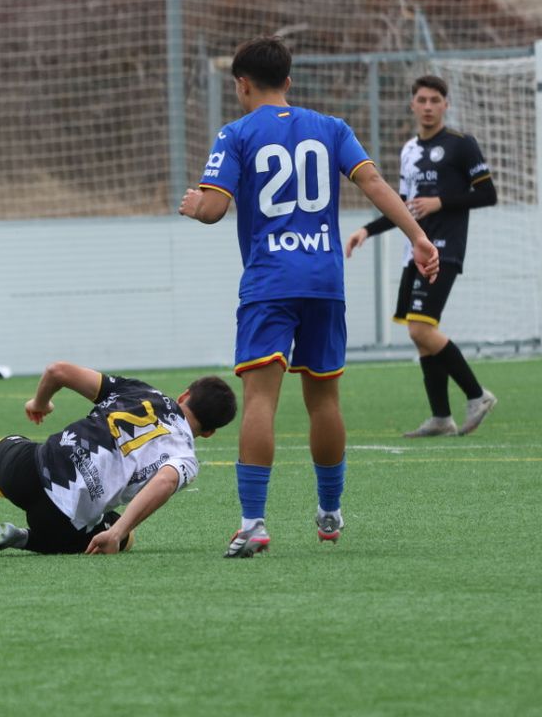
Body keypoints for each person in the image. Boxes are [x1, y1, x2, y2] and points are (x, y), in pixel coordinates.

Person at [179, 35, 439, 558]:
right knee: (323, 398)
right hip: (324, 280)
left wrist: (192, 203)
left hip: (270, 282)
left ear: (241, 85)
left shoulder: (235, 133)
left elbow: (211, 211)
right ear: (289, 82)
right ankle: (329, 511)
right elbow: (376, 185)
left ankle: (253, 523)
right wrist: (417, 236)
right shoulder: (331, 128)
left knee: (260, 399)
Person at [0, 362, 236, 557]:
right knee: (122, 534)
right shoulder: (185, 455)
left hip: (32, 467)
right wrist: (117, 533)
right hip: (61, 523)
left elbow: (58, 370)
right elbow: (166, 480)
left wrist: (39, 403)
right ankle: (21, 539)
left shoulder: (142, 390)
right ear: (210, 431)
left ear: (184, 394)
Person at [344, 74, 498, 437]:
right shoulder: (410, 149)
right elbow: (401, 205)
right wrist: (367, 230)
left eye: (435, 100)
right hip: (414, 251)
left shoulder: (462, 145)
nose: (428, 107)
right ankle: (441, 417)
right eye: (422, 100)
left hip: (445, 251)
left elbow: (487, 194)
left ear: (445, 105)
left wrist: (441, 201)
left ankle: (478, 395)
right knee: (419, 333)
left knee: (421, 327)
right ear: (412, 105)